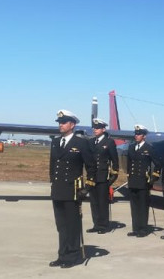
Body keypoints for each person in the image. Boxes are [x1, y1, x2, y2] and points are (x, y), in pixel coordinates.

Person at [50, 110, 96, 268]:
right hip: (58, 190)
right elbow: (52, 166)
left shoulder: (81, 143)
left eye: (63, 122)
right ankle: (62, 255)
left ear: (72, 125)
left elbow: (92, 167)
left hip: (73, 191)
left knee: (72, 225)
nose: (60, 125)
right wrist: (53, 185)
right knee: (61, 225)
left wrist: (87, 188)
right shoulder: (55, 142)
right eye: (59, 122)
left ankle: (73, 256)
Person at [87, 118, 119, 234]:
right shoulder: (90, 142)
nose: (95, 130)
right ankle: (96, 224)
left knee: (102, 202)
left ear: (103, 129)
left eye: (97, 128)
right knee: (94, 202)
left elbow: (115, 161)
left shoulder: (109, 142)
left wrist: (113, 177)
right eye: (94, 128)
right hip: (92, 177)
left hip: (103, 177)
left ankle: (103, 226)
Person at [125, 124, 156, 237]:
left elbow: (158, 164)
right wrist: (128, 176)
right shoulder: (131, 147)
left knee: (143, 206)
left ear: (144, 136)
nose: (136, 136)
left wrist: (153, 179)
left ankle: (143, 229)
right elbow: (129, 163)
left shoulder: (149, 148)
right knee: (134, 206)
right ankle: (136, 228)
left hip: (143, 182)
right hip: (133, 181)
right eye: (136, 134)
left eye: (139, 134)